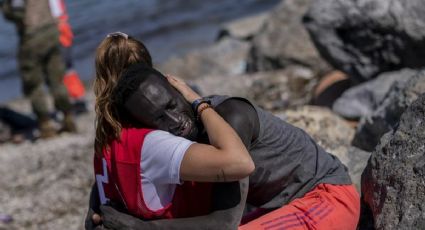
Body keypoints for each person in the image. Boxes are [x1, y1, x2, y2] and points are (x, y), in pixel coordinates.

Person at [86, 33, 360, 230]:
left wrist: (139, 227)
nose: (174, 121)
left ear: (178, 87)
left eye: (172, 105)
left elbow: (223, 222)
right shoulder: (171, 133)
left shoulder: (231, 116)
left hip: (324, 197)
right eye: (159, 119)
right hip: (281, 207)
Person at [0, 0, 77, 138]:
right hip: (51, 31)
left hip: (32, 37)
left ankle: (46, 125)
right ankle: (68, 116)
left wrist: (5, 7)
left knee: (33, 83)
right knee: (56, 78)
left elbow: (17, 14)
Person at [50, 0, 88, 113]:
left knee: (65, 68)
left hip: (59, 31)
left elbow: (56, 13)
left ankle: (77, 99)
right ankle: (75, 98)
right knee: (66, 68)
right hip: (60, 29)